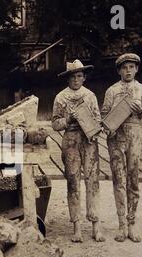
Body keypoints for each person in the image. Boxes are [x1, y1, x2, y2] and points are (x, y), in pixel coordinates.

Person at [102, 53, 142, 243]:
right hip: (116, 138)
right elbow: (104, 117)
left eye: (131, 67)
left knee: (133, 180)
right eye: (124, 68)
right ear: (119, 70)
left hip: (134, 136)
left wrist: (140, 110)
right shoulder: (112, 91)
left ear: (137, 69)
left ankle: (131, 224)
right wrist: (112, 122)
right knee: (119, 180)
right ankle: (121, 225)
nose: (128, 71)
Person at [52, 60, 105, 243]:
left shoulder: (90, 96)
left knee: (93, 180)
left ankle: (95, 226)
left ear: (84, 78)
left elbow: (98, 120)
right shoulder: (61, 97)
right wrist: (67, 119)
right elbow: (55, 124)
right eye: (73, 76)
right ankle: (76, 227)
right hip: (71, 141)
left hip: (89, 141)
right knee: (73, 181)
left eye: (80, 76)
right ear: (68, 79)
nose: (76, 79)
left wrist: (93, 128)